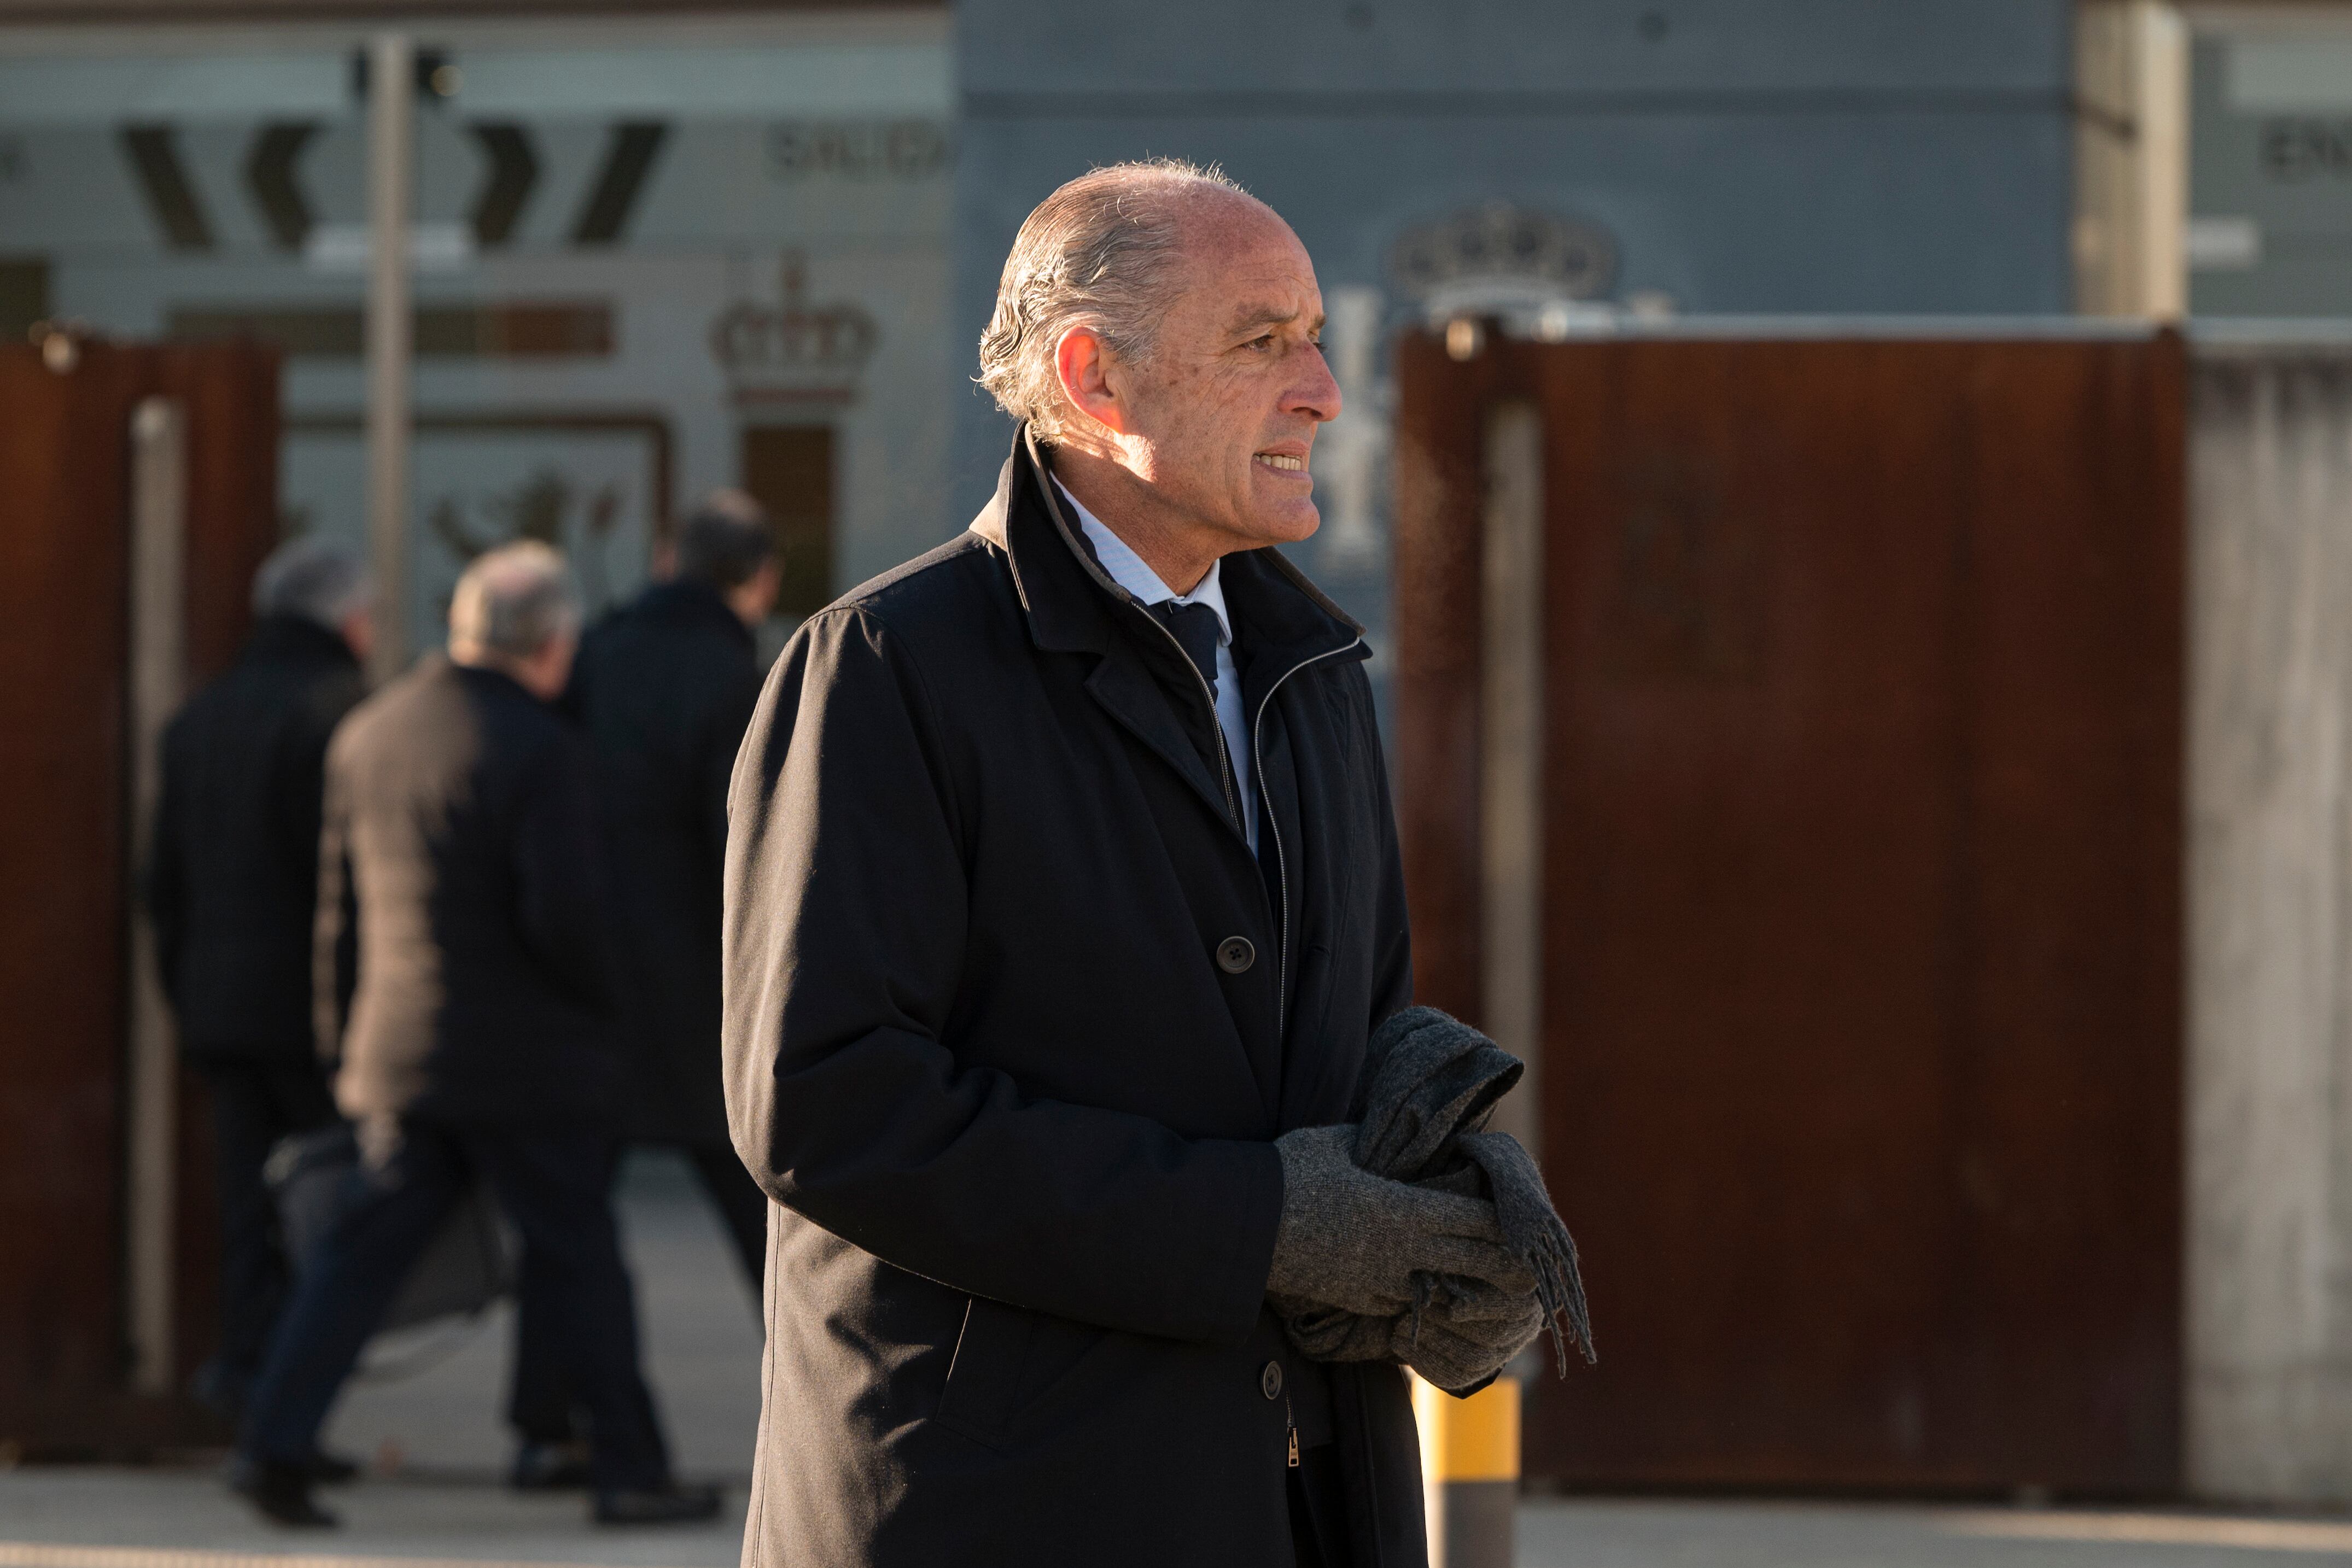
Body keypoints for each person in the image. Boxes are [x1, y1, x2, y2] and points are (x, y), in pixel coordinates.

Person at [722, 161, 1546, 1567]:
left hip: (1295, 1493)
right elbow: (830, 1106)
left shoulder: (1316, 673)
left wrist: (1443, 1194)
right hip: (1003, 1508)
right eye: (1263, 341)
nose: (1325, 393)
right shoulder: (886, 668)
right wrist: (1264, 1227)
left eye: (1316, 337)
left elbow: (1350, 1043)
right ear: (1097, 378)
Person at [229, 542, 720, 1530]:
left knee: (356, 1262)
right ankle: (630, 1469)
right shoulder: (542, 752)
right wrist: (616, 1010)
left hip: (402, 1057)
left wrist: (340, 1050)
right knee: (579, 1262)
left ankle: (271, 1442)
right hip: (529, 1066)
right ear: (549, 643)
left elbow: (339, 917)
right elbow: (566, 920)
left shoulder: (372, 733)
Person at [501, 493, 780, 1488]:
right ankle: (813, 1412)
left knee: (567, 1226)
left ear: (665, 559)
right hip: (696, 1000)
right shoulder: (734, 679)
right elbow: (741, 849)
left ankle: (546, 1424)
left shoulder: (590, 658)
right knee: (768, 1220)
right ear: (761, 582)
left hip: (580, 987)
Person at [149, 538, 371, 1443]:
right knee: (336, 1221)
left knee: (250, 1207)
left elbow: (161, 880)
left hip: (218, 1009)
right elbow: (347, 887)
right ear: (347, 619)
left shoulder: (200, 717)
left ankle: (247, 1378)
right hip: (311, 1017)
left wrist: (185, 991)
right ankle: (286, 1409)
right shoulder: (339, 714)